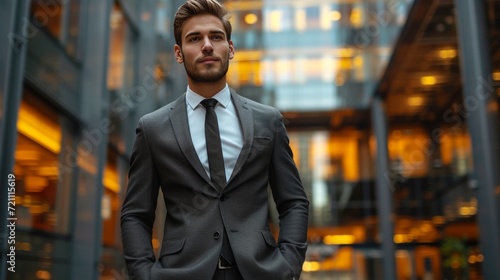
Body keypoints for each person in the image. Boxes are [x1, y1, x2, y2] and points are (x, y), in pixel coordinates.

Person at [120, 0, 309, 279]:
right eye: (194, 38)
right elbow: (136, 214)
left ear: (230, 49)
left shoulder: (268, 121)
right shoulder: (152, 129)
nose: (206, 45)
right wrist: (144, 274)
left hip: (260, 272)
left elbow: (293, 202)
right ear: (179, 53)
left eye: (216, 37)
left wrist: (288, 266)